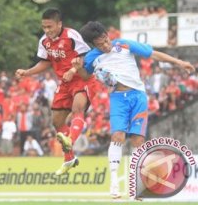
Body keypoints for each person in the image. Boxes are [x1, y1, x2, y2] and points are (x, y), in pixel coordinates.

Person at [72, 21, 195, 199]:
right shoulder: (92, 57)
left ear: (108, 34)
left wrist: (179, 62)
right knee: (117, 137)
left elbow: (154, 54)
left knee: (138, 140)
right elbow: (86, 75)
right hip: (117, 99)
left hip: (138, 97)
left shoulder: (124, 44)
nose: (105, 45)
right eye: (100, 44)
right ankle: (114, 184)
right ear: (94, 45)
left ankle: (137, 186)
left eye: (106, 40)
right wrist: (77, 69)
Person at [15, 8, 98, 175]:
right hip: (65, 83)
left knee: (77, 109)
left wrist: (73, 71)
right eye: (44, 27)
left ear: (59, 24)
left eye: (50, 26)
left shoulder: (71, 35)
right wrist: (28, 72)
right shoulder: (44, 41)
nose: (47, 30)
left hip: (82, 78)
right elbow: (46, 62)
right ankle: (69, 158)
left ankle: (71, 139)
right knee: (57, 121)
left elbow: (86, 57)